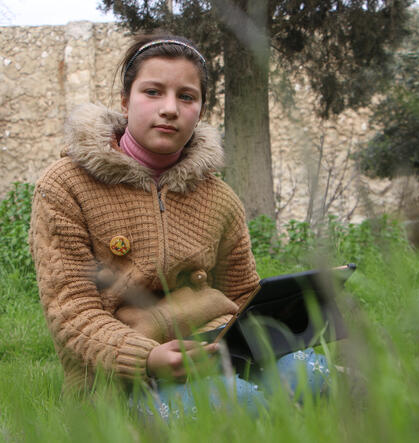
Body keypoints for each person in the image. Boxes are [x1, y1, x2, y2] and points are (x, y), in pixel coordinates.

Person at [29, 33, 329, 419]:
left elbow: (242, 296)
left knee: (312, 373)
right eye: (153, 92)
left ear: (200, 109)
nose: (169, 108)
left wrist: (293, 316)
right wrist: (146, 357)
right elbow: (70, 311)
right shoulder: (65, 185)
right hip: (126, 376)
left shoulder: (219, 197)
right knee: (240, 403)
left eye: (186, 97)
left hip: (219, 352)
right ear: (125, 100)